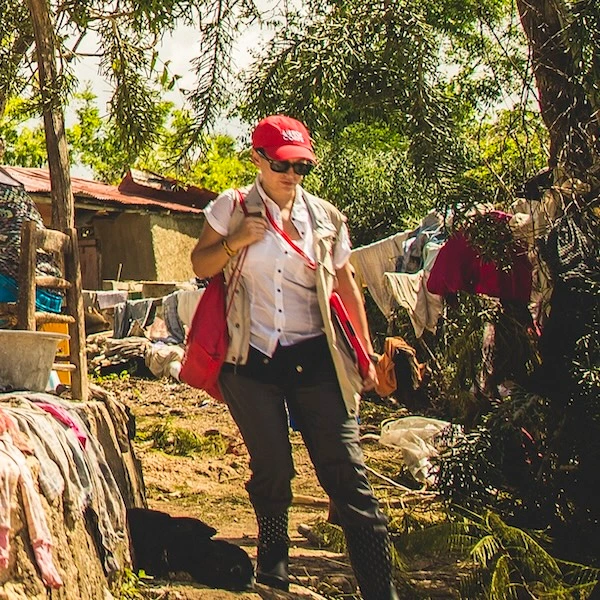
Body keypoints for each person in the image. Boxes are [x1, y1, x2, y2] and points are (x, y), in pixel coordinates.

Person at [191, 114, 399, 599]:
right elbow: (200, 264)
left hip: (317, 356)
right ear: (258, 159)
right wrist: (235, 240)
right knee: (274, 469)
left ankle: (379, 589)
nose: (292, 175)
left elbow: (346, 283)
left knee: (346, 474)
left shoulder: (325, 218)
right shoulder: (232, 207)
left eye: (302, 165)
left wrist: (365, 354)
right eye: (283, 163)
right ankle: (274, 573)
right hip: (252, 358)